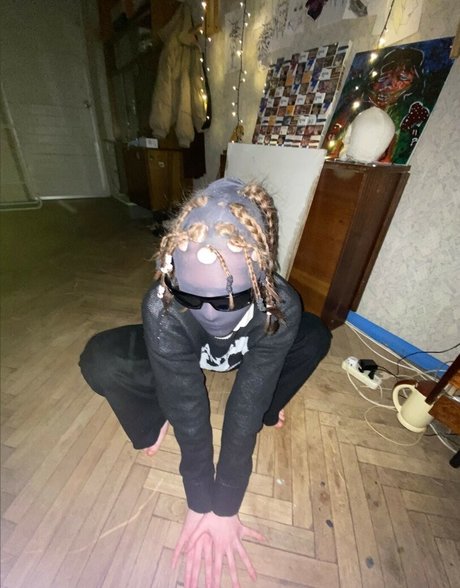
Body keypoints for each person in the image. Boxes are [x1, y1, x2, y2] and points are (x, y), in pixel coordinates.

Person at [79, 177, 331, 587]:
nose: (210, 315)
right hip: (182, 351)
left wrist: (225, 505)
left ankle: (273, 401)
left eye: (229, 300)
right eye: (191, 297)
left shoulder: (279, 305)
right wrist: (199, 502)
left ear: (263, 277)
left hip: (248, 355)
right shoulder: (162, 305)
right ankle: (158, 412)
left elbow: (243, 410)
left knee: (315, 337)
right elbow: (190, 409)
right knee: (99, 360)